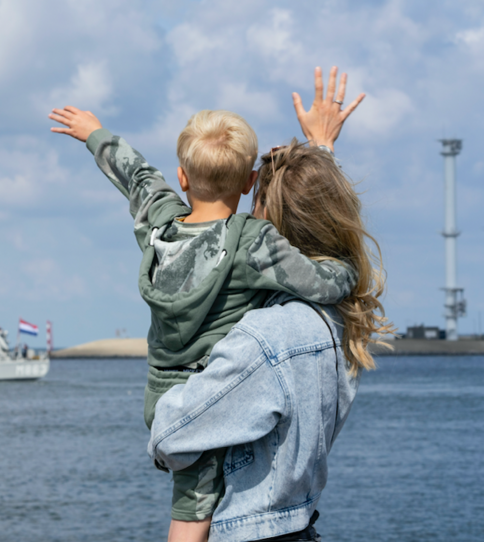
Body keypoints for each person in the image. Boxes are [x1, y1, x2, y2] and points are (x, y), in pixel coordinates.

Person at [49, 67, 360, 538]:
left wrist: (95, 134)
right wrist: (350, 271)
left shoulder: (159, 227)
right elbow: (318, 281)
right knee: (199, 507)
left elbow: (136, 176)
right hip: (209, 395)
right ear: (249, 180)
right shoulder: (251, 243)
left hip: (162, 396)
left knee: (190, 500)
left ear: (182, 177)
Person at [149, 67, 393, 541]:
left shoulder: (267, 339)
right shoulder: (338, 316)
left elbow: (170, 434)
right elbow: (319, 225)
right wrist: (319, 147)